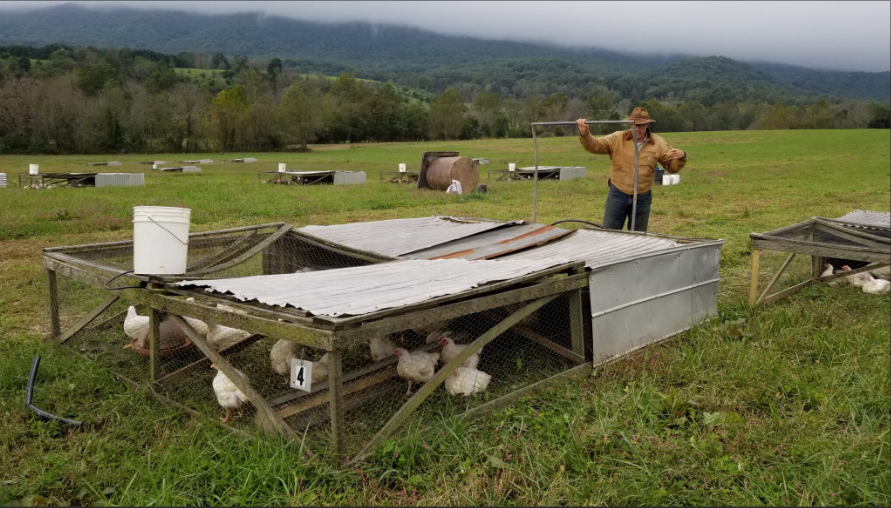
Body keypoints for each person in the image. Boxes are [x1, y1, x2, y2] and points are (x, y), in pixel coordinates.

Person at [577, 107, 687, 232]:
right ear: (630, 124)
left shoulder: (658, 143)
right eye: (634, 125)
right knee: (609, 233)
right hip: (618, 193)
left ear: (647, 125)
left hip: (643, 197)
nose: (637, 129)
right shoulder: (617, 138)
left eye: (641, 125)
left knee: (638, 236)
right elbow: (594, 146)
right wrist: (585, 133)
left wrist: (681, 156)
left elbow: (671, 167)